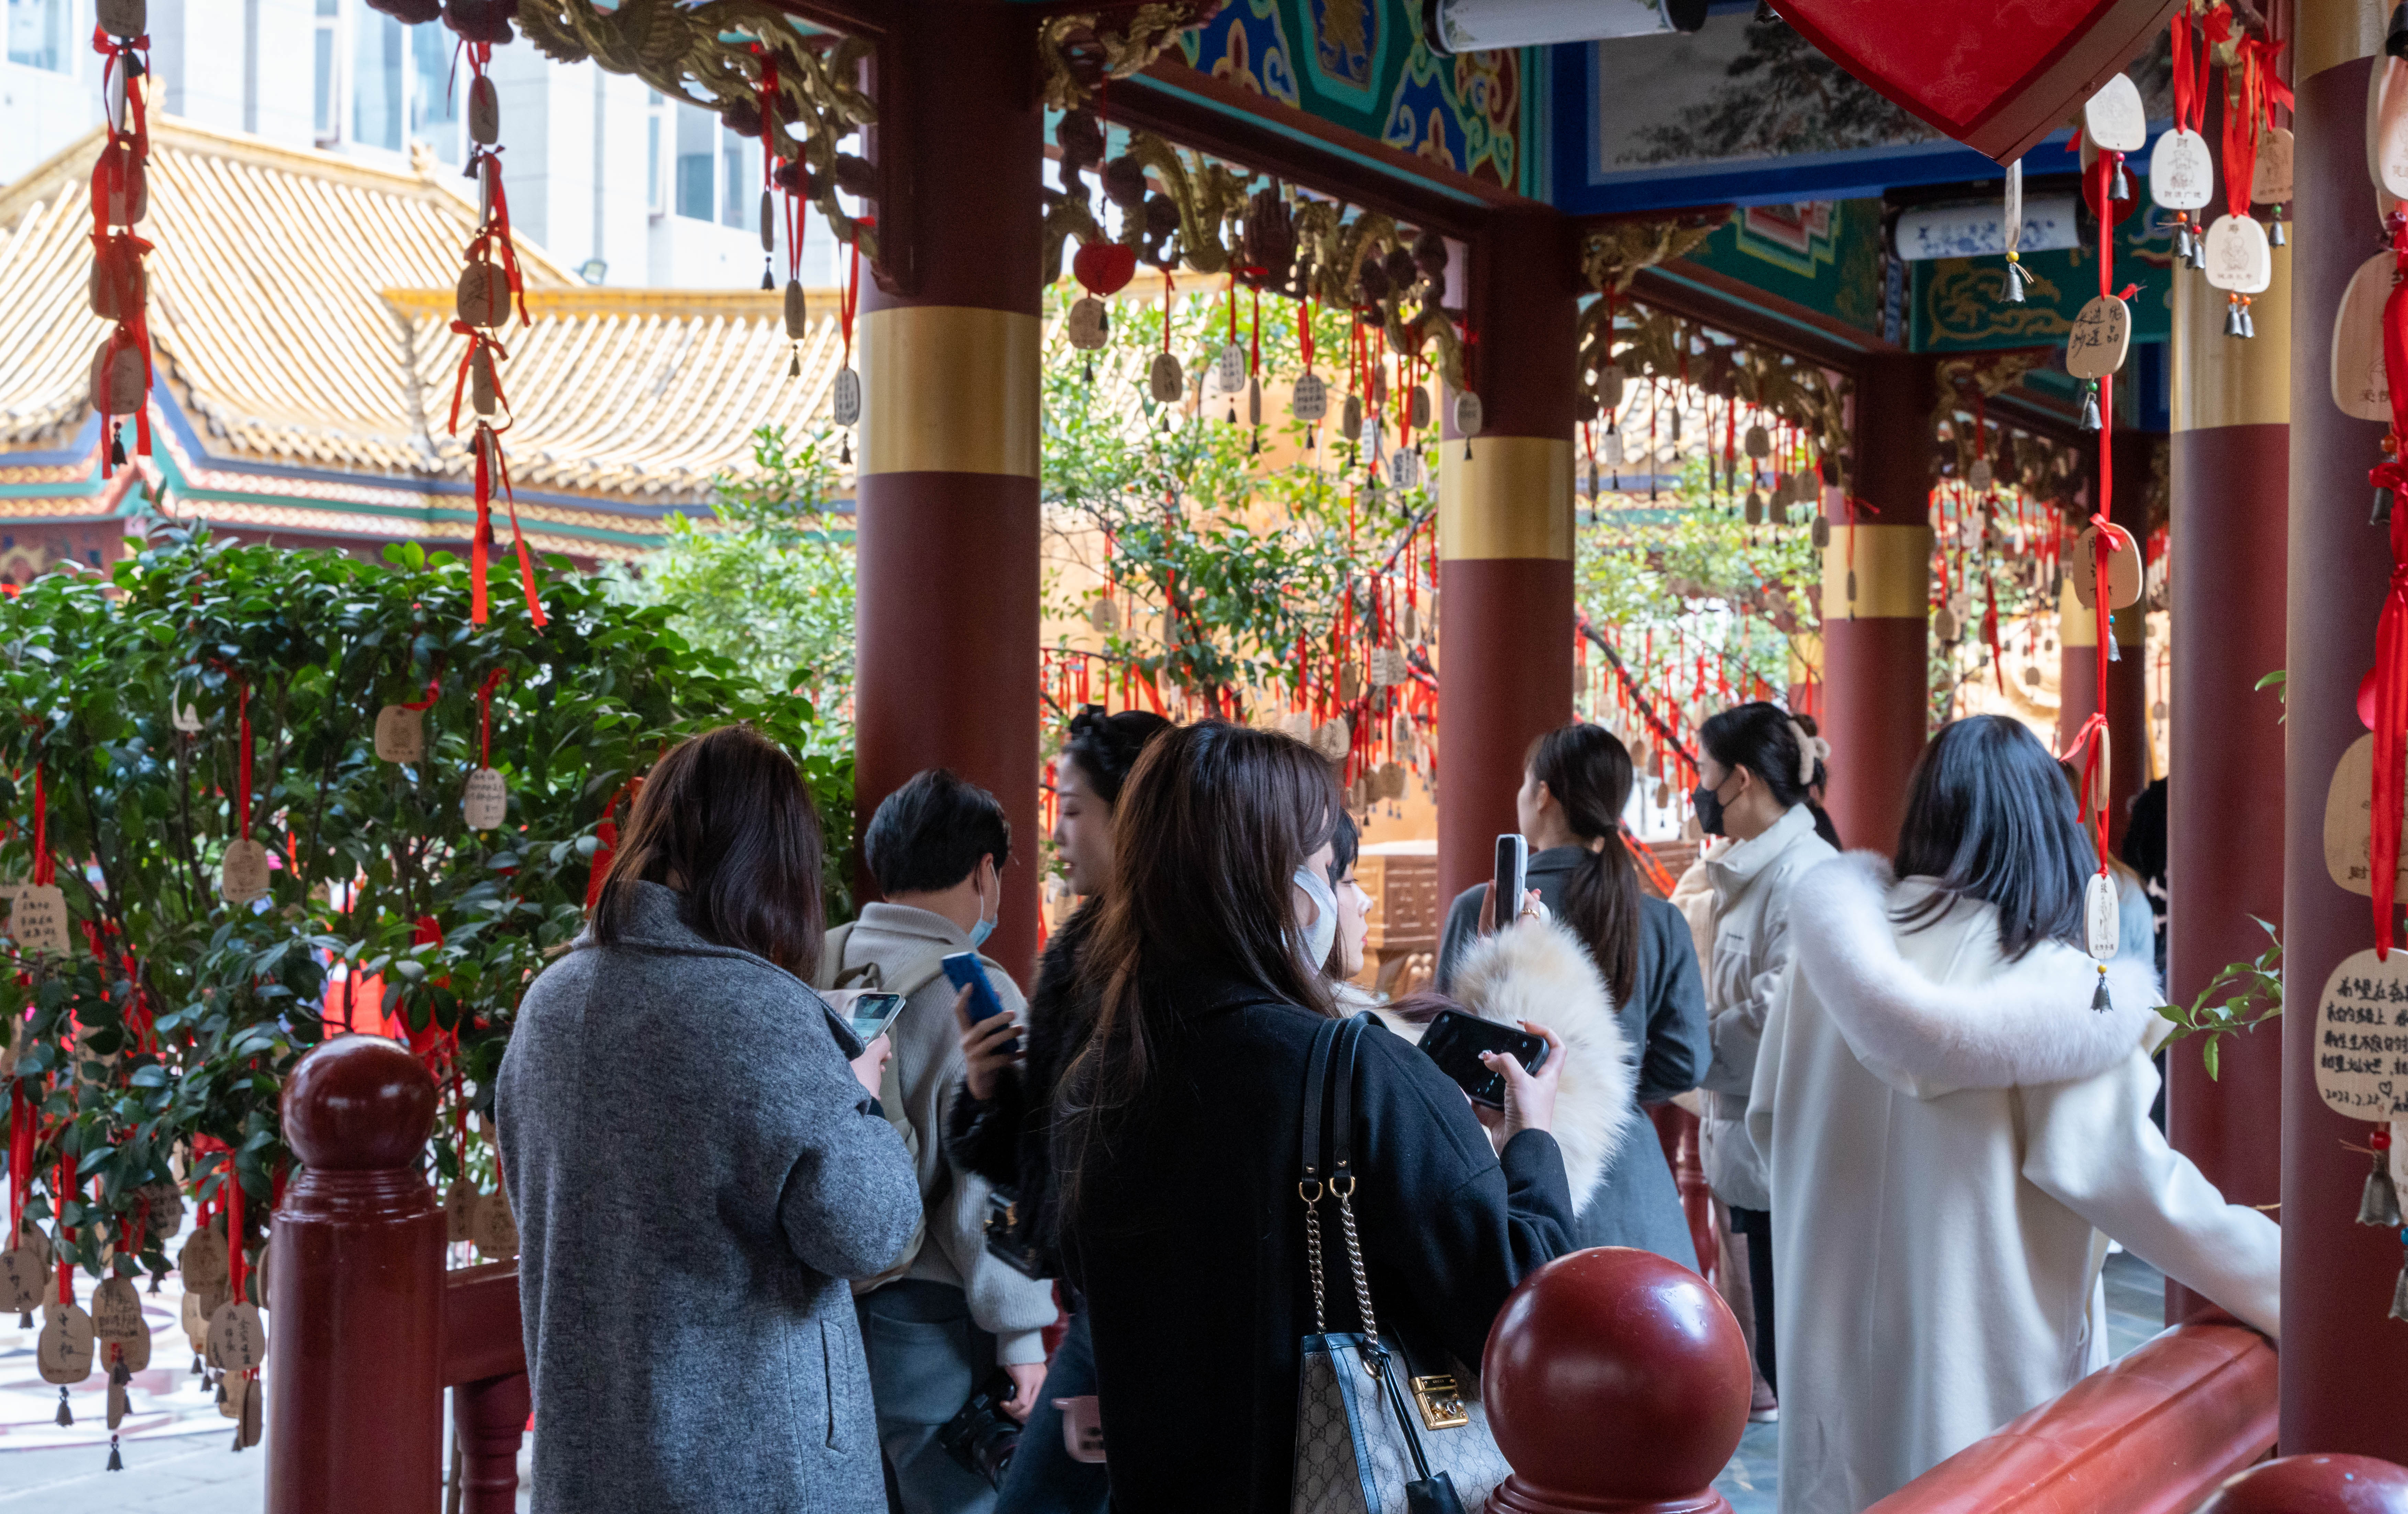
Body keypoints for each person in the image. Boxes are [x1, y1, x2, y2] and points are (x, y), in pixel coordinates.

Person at [1750, 715, 2279, 1514]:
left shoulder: (1822, 964)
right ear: (2047, 830)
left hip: (1832, 1400)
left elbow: (1766, 1128)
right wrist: (2292, 1282)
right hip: (1986, 1404)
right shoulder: (2059, 996)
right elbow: (2140, 1187)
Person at [1056, 721, 1575, 1512]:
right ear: (1285, 891)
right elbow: (1521, 1306)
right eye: (1333, 872)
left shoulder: (1104, 1074)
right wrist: (1531, 1138)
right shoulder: (1353, 1069)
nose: (1346, 897)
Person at [497, 725, 920, 1514]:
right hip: (759, 1467)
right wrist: (853, 1085)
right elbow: (870, 1232)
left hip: (590, 1457)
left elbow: (534, 1195)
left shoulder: (550, 999)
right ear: (778, 864)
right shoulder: (763, 1011)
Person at [945, 706, 1169, 1514]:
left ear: (1137, 814)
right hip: (1099, 1312)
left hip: (1165, 1322)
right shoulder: (1081, 952)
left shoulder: (1181, 964)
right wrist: (990, 1090)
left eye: (1074, 809)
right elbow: (1040, 1161)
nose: (1059, 830)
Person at [824, 769, 1059, 1514]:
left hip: (824, 1317)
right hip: (932, 1329)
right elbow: (985, 1186)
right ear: (984, 872)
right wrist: (1023, 1338)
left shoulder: (817, 960)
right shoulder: (976, 989)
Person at [1435, 723, 1711, 1270]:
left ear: (1542, 795)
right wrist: (1611, 1089)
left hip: (1509, 1169)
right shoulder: (1659, 919)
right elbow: (1687, 1060)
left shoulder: (1479, 907)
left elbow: (1448, 1047)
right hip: (1628, 1181)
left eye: (1523, 784)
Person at [1690, 702, 1836, 1417]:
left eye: (1704, 773)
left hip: (1790, 1151)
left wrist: (1687, 1045)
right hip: (1750, 1147)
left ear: (1740, 780)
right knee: (1778, 1349)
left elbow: (1782, 1014)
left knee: (1801, 1360)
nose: (1699, 789)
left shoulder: (1805, 875)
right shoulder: (1750, 873)